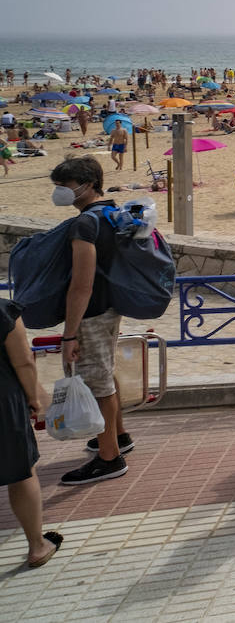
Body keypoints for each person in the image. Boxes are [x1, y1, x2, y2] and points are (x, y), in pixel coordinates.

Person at [50, 156, 133, 485]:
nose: (59, 192)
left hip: (92, 312)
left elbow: (81, 284)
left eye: (64, 187)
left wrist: (69, 335)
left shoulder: (84, 224)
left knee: (98, 384)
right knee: (106, 374)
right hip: (111, 306)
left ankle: (109, 458)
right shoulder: (112, 211)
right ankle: (119, 436)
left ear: (86, 185)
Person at [1, 301, 63, 567]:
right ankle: (37, 545)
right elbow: (24, 361)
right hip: (3, 403)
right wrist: (33, 398)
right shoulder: (3, 311)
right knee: (22, 471)